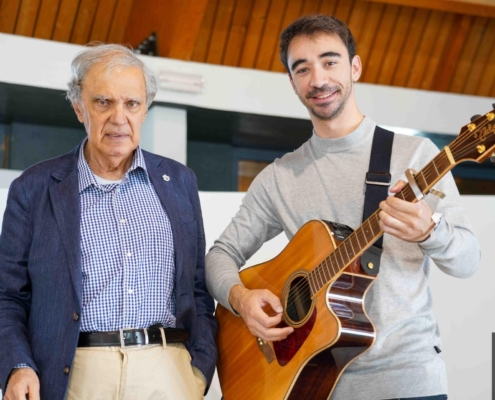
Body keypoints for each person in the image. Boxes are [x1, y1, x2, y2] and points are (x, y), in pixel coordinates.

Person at [205, 14, 480, 400]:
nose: (318, 79)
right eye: (303, 69)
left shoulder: (415, 155)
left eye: (330, 61)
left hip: (407, 381)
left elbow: (468, 261)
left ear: (355, 67)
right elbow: (220, 255)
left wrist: (430, 232)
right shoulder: (280, 176)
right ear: (292, 82)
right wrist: (241, 299)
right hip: (308, 384)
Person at [0, 44, 217, 400]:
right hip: (77, 374)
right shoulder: (34, 188)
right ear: (78, 107)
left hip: (169, 372)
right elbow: (7, 295)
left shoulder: (179, 182)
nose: (119, 117)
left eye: (132, 103)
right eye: (103, 102)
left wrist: (200, 369)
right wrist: (18, 364)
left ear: (145, 108)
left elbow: (196, 287)